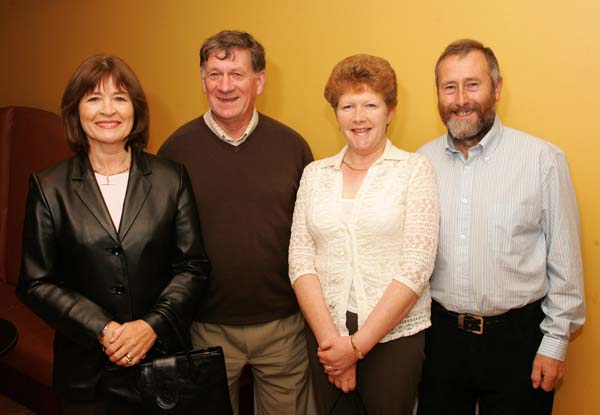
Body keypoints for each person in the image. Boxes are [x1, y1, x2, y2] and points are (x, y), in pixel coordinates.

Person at [17, 55, 210, 414]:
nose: (108, 109)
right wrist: (102, 329)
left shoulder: (172, 178)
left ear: (136, 110)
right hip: (86, 373)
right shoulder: (48, 186)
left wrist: (151, 326)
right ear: (76, 111)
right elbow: (35, 282)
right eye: (93, 98)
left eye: (120, 98)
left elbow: (193, 266)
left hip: (162, 364)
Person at [417, 39, 585, 414]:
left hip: (520, 343)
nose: (461, 98)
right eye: (450, 87)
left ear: (497, 87)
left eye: (472, 84)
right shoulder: (421, 163)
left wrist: (555, 344)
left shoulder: (542, 160)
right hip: (441, 342)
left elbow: (566, 263)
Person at [158, 30, 314, 414]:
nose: (225, 86)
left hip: (283, 328)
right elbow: (162, 244)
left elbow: (311, 237)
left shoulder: (293, 147)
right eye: (215, 74)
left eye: (237, 74)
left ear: (259, 80)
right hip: (204, 329)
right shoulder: (174, 152)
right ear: (202, 80)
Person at [288, 54, 439, 414]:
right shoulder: (315, 175)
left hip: (393, 337)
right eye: (347, 106)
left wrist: (356, 348)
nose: (359, 117)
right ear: (335, 113)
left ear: (390, 111)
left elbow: (416, 266)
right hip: (326, 334)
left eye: (371, 104)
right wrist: (333, 344)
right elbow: (300, 259)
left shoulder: (414, 170)